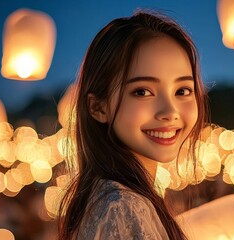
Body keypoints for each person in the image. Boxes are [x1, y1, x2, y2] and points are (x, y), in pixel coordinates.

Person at [58, 9, 208, 240]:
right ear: (98, 107)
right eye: (142, 91)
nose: (170, 112)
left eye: (182, 91)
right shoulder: (124, 208)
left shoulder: (111, 198)